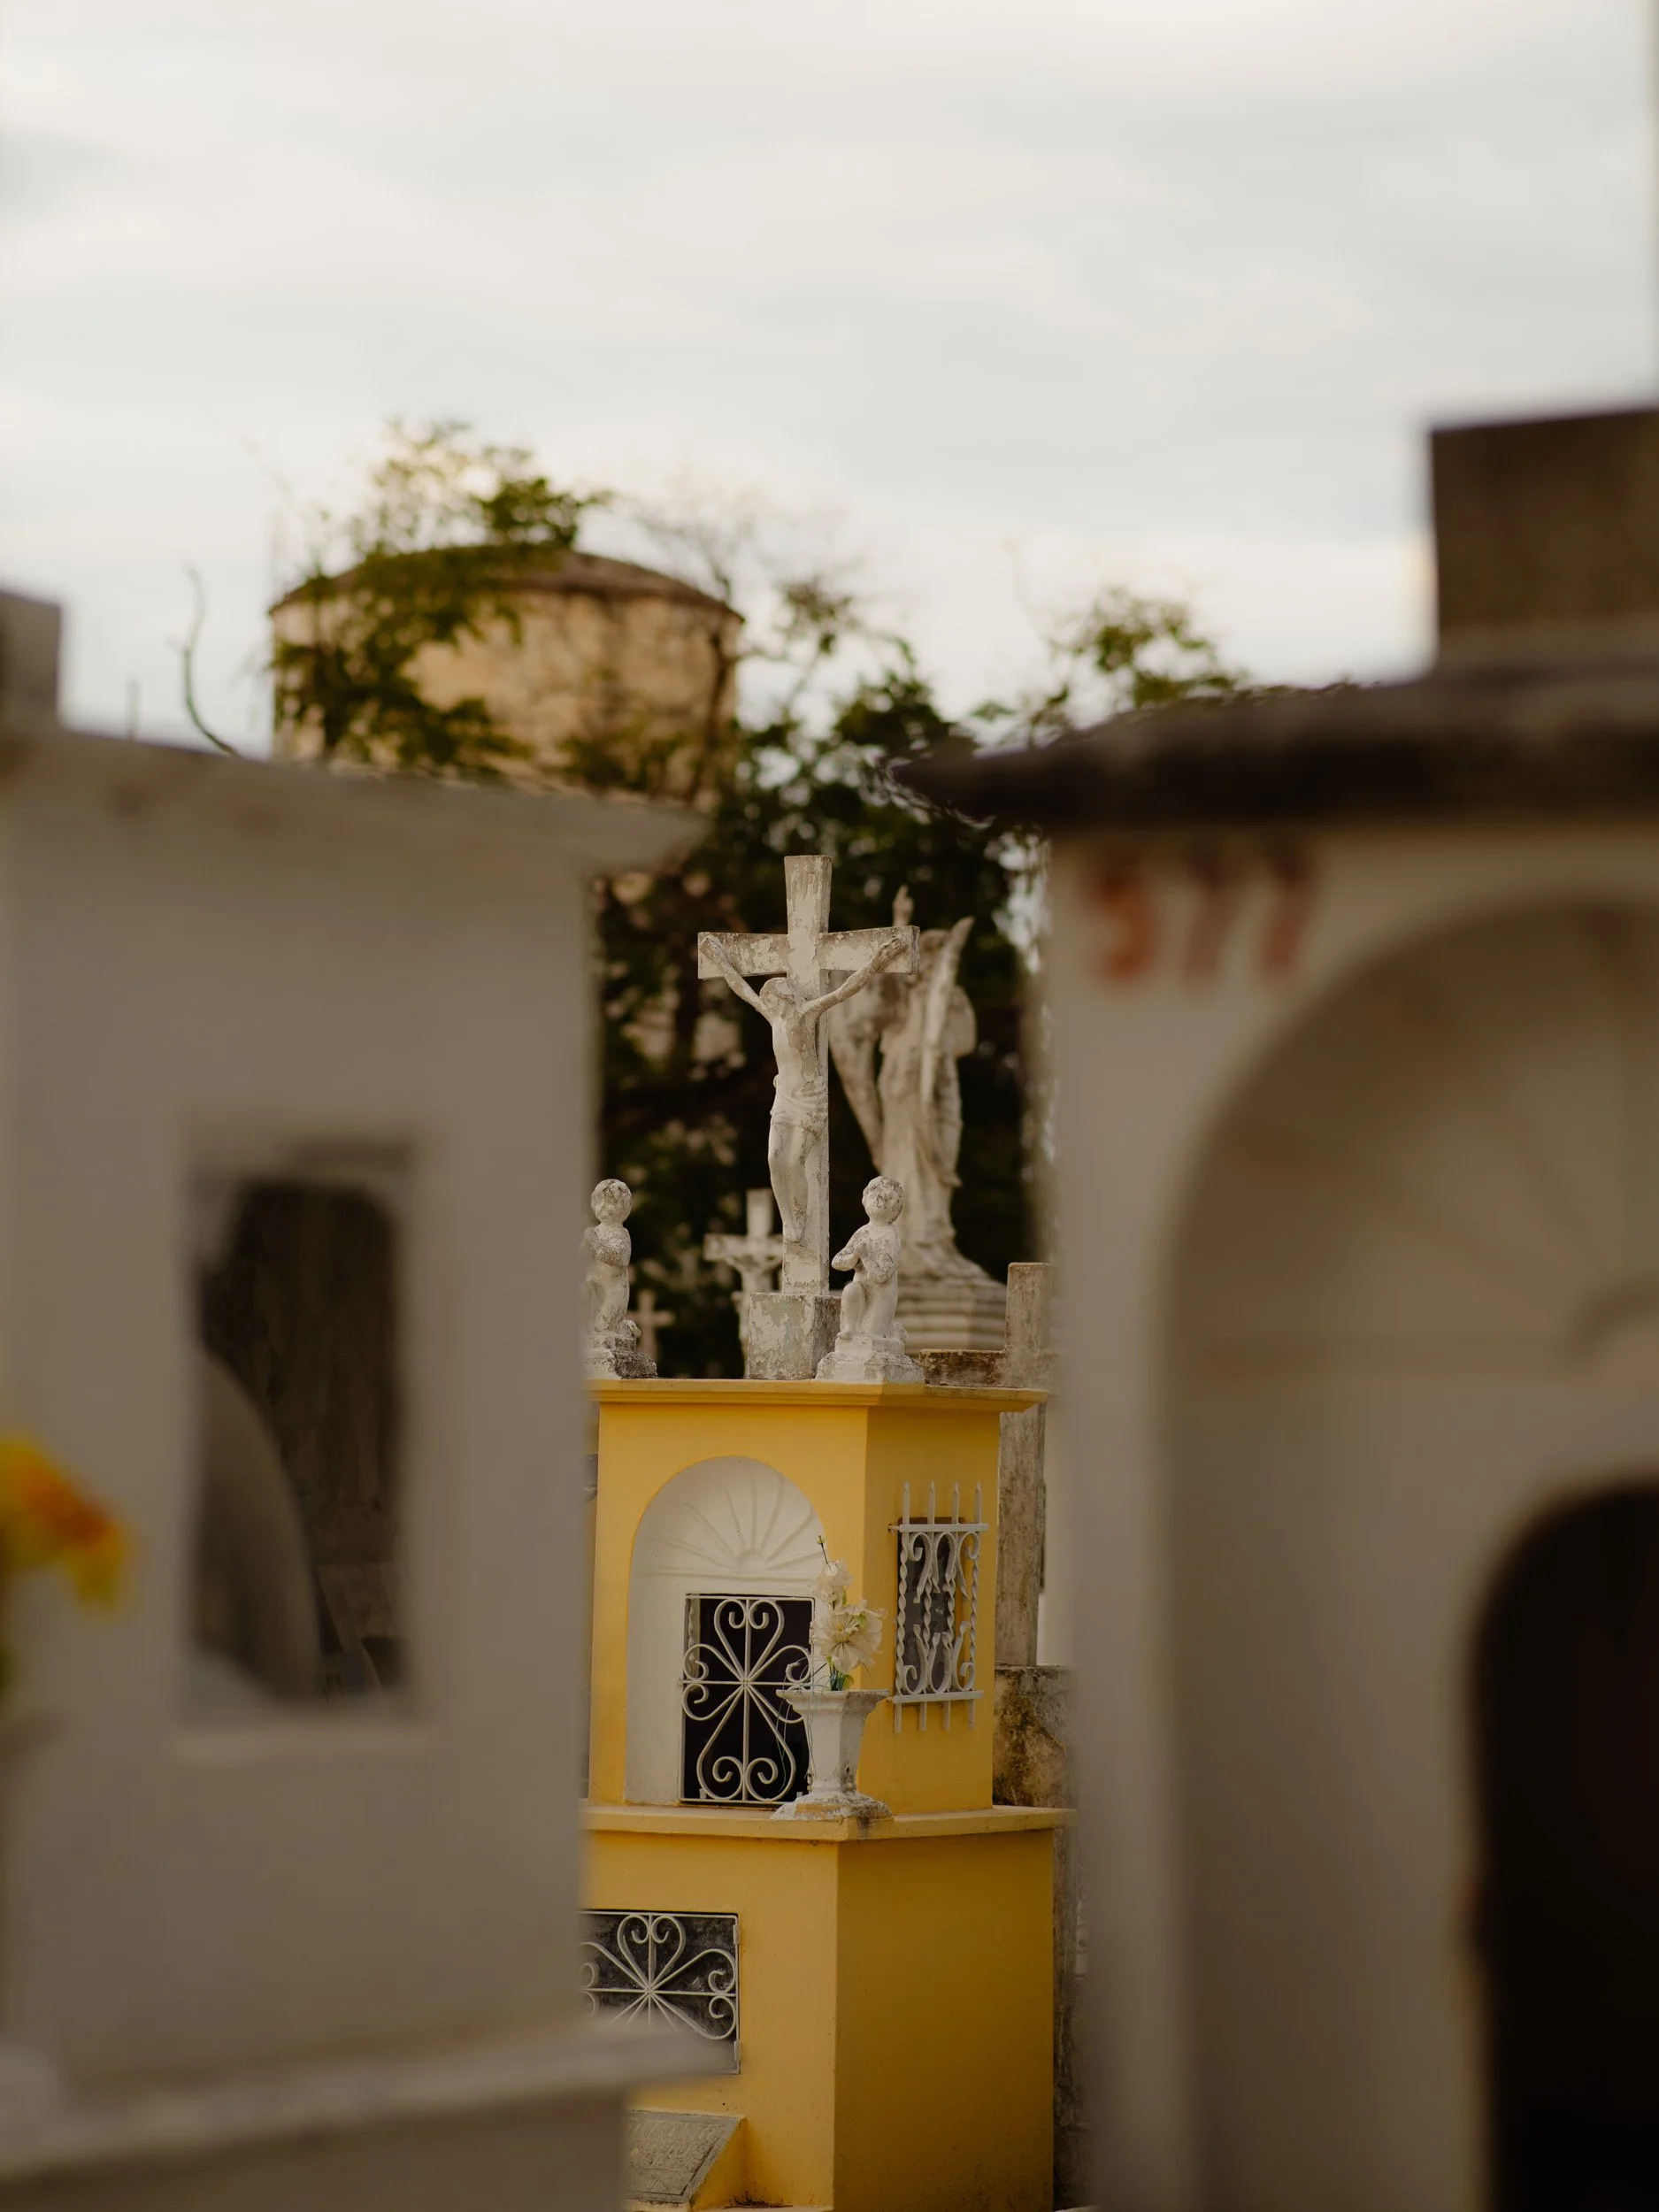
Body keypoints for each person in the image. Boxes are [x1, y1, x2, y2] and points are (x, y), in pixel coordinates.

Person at [703, 938, 907, 1255]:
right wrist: (719, 960)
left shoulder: (805, 1013)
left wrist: (876, 963)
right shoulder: (773, 1018)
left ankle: (801, 1216)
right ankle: (789, 1219)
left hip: (809, 1099)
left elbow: (843, 991)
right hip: (784, 1096)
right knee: (774, 1159)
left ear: (786, 996)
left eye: (774, 996)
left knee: (796, 1159)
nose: (769, 1000)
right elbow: (741, 989)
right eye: (768, 997)